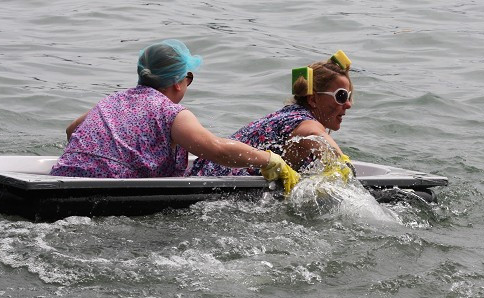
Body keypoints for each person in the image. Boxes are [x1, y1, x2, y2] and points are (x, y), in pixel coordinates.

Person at [50, 39, 298, 192]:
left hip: (63, 177)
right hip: (104, 190)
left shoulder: (113, 100)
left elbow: (72, 130)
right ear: (179, 83)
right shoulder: (171, 113)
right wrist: (270, 160)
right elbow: (218, 150)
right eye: (188, 77)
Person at [188, 50, 355, 179]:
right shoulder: (303, 121)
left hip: (203, 171)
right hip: (216, 184)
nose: (348, 104)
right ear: (313, 100)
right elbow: (312, 133)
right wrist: (343, 165)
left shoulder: (288, 114)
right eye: (341, 97)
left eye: (349, 96)